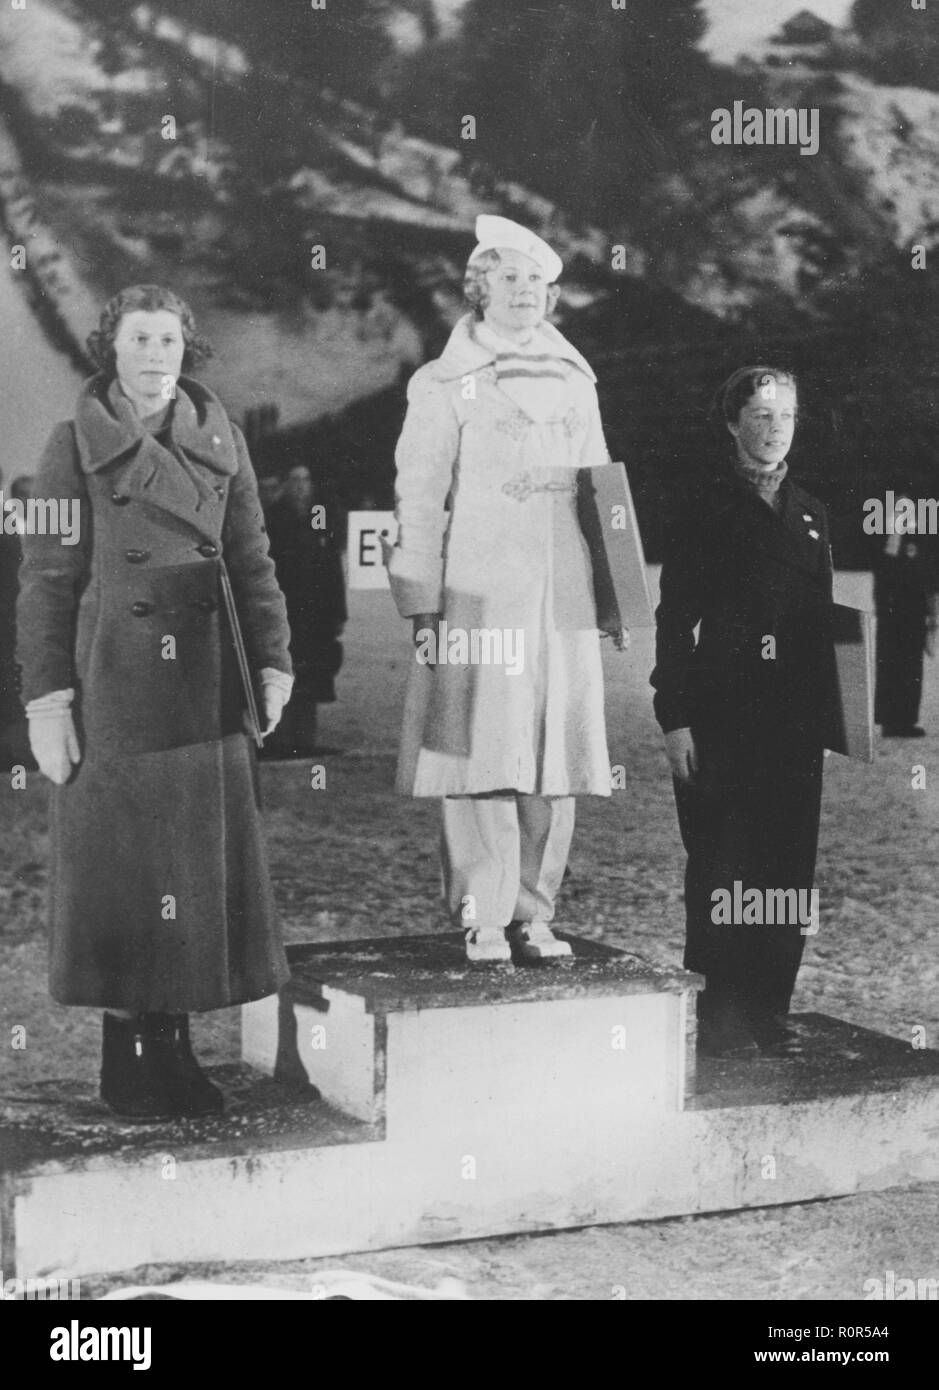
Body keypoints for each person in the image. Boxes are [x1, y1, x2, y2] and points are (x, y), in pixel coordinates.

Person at [16, 283, 294, 1121]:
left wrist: (274, 665)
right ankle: (129, 1064)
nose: (153, 356)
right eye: (137, 340)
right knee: (126, 875)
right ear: (112, 349)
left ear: (186, 351)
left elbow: (253, 563)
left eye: (167, 341)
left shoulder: (222, 442)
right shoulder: (71, 446)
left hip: (205, 684)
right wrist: (46, 701)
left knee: (189, 874)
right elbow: (46, 582)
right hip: (116, 693)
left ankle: (173, 1052)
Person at [386, 214, 625, 965]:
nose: (525, 292)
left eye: (537, 279)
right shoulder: (442, 384)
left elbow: (604, 495)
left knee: (556, 755)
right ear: (477, 285)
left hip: (563, 595)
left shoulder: (577, 382)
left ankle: (534, 911)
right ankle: (480, 911)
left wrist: (618, 596)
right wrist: (421, 603)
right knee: (481, 751)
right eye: (509, 276)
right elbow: (418, 499)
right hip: (478, 593)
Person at [651, 366, 840, 1058]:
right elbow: (674, 621)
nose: (773, 430)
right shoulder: (702, 506)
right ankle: (720, 1019)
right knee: (723, 869)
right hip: (721, 719)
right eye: (759, 415)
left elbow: (824, 624)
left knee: (787, 874)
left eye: (784, 416)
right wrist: (673, 716)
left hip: (794, 727)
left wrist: (840, 712)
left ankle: (768, 1011)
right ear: (731, 422)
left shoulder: (813, 512)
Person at [264, 462, 347, 757]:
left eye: (305, 480)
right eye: (295, 479)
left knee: (311, 681)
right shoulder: (273, 519)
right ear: (286, 484)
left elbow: (331, 564)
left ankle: (304, 742)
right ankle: (277, 741)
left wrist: (338, 612)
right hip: (286, 613)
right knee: (281, 675)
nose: (301, 486)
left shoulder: (318, 517)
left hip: (315, 616)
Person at [873, 493, 938, 737]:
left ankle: (906, 720)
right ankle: (889, 721)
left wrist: (932, 612)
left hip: (914, 612)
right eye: (898, 510)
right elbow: (882, 574)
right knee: (889, 664)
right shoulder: (886, 541)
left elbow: (929, 577)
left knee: (911, 666)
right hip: (889, 612)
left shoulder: (919, 542)